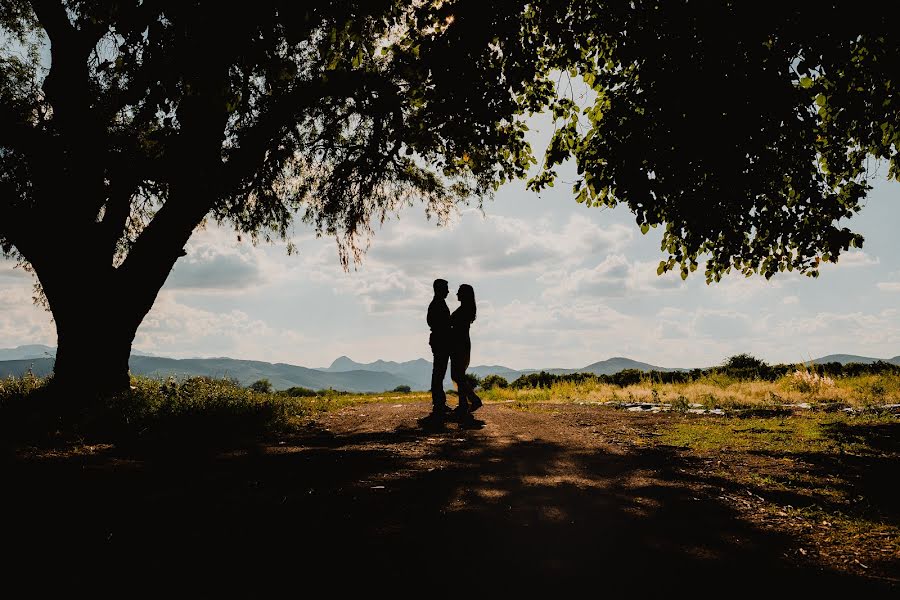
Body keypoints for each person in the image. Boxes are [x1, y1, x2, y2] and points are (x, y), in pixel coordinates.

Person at [450, 284, 482, 417]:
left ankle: (474, 400)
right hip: (462, 344)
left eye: (458, 292)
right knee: (459, 375)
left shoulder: (463, 310)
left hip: (459, 344)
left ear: (464, 294)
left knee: (457, 376)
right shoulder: (467, 309)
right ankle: (463, 404)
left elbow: (455, 327)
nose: (456, 294)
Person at [427, 278, 452, 416]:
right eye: (446, 288)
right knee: (439, 372)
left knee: (438, 372)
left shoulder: (437, 303)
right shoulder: (437, 304)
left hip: (439, 341)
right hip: (440, 341)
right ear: (439, 289)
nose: (448, 291)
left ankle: (439, 402)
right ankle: (438, 403)